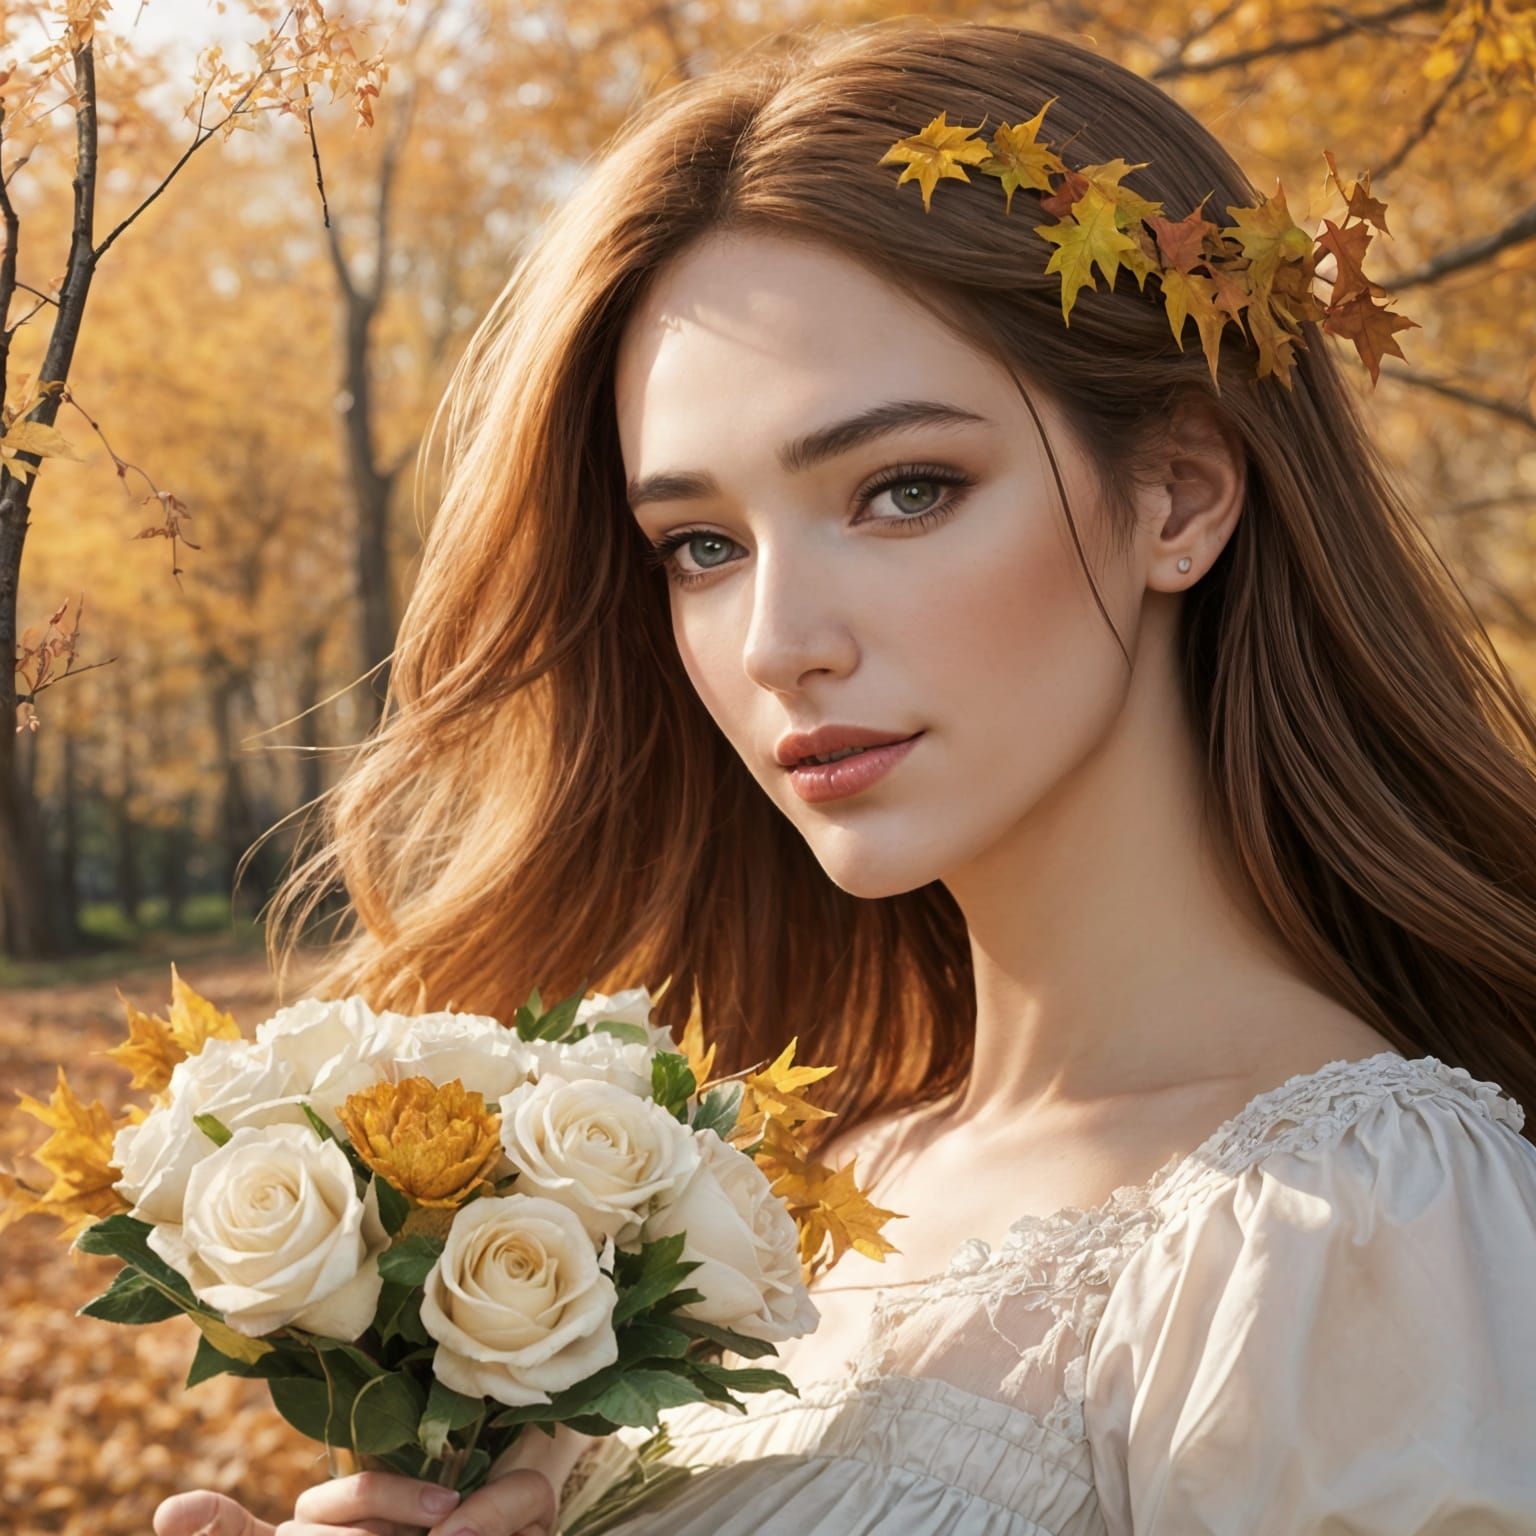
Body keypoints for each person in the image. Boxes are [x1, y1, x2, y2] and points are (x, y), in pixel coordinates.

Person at [152, 17, 1536, 1536]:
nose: (775, 644)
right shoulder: (751, 1210)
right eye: (701, 545)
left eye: (904, 490)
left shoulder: (1358, 1226)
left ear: (1177, 496)